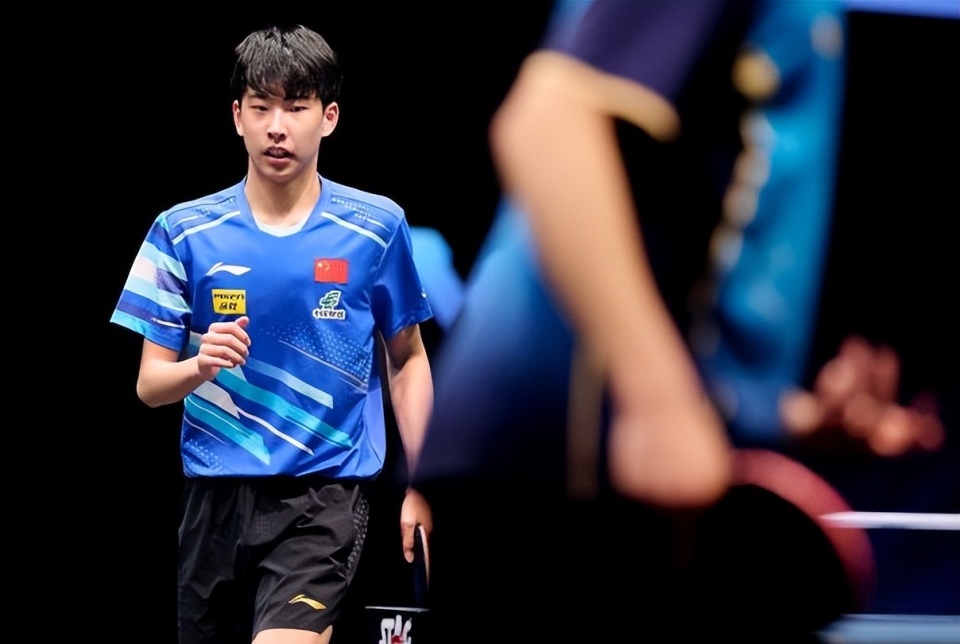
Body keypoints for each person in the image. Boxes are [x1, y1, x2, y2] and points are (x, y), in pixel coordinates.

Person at [411, 1, 946, 641]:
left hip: (599, 472)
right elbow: (545, 125)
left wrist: (785, 416)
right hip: (559, 475)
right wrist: (659, 401)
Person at [109, 24, 434, 644]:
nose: (276, 127)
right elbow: (150, 386)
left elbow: (407, 360)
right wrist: (199, 365)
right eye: (261, 107)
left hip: (323, 499)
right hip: (211, 505)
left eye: (296, 107)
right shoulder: (181, 232)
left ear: (329, 117)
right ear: (237, 116)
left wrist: (423, 481)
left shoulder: (376, 228)